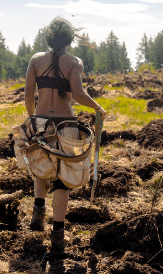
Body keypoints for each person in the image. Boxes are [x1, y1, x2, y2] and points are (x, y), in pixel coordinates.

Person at [24, 17, 107, 252]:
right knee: (62, 179)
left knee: (41, 164)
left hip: (41, 122)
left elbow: (29, 95)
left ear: (50, 38)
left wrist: (33, 117)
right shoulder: (74, 62)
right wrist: (98, 108)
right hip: (66, 126)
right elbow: (79, 94)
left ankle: (38, 212)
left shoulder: (36, 61)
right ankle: (58, 237)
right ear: (69, 38)